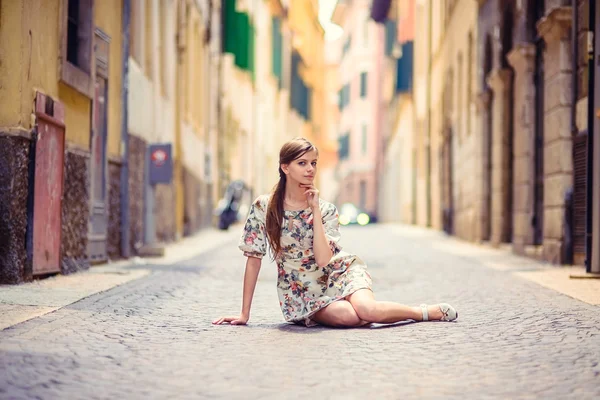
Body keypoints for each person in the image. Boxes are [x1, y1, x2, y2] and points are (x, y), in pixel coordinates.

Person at [212, 137, 458, 328]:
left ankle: (423, 312)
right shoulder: (263, 207)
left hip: (340, 272)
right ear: (285, 167)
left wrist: (315, 210)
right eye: (302, 163)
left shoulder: (326, 209)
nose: (310, 169)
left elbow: (323, 259)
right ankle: (359, 311)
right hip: (301, 291)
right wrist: (245, 314)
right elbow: (253, 259)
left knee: (367, 311)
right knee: (349, 316)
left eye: (314, 163)